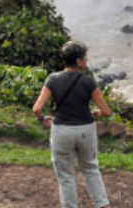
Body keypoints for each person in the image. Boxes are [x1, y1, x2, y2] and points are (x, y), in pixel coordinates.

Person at [32, 40, 112, 208]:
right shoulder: (88, 81)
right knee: (90, 169)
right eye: (85, 57)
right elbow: (106, 111)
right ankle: (102, 204)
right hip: (86, 130)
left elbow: (37, 108)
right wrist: (96, 114)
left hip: (61, 130)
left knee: (66, 176)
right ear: (78, 61)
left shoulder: (52, 79)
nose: (87, 60)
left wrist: (42, 120)